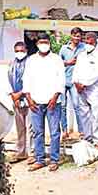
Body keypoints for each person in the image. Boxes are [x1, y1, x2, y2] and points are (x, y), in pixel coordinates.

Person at [23, 33, 66, 172]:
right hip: (35, 101)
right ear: (37, 44)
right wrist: (29, 99)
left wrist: (55, 97)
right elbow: (26, 80)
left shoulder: (56, 59)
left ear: (50, 43)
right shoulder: (31, 60)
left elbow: (61, 80)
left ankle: (54, 160)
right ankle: (39, 159)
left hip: (53, 102)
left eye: (46, 42)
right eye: (41, 42)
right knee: (37, 132)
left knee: (54, 132)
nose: (43, 45)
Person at [72, 32, 98, 147]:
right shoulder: (81, 55)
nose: (88, 44)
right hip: (80, 89)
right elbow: (76, 70)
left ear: (95, 43)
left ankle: (97, 140)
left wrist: (84, 84)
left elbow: (97, 73)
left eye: (90, 42)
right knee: (84, 114)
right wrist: (76, 83)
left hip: (94, 90)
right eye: (86, 41)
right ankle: (87, 138)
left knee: (96, 115)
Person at [60, 28, 85, 140]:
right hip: (63, 80)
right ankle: (64, 131)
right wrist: (67, 62)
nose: (76, 38)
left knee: (77, 106)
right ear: (71, 36)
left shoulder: (83, 48)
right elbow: (58, 63)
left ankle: (81, 131)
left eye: (78, 36)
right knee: (62, 106)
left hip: (76, 81)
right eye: (74, 36)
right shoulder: (64, 48)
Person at [7, 41, 30, 164]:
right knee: (20, 128)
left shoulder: (31, 63)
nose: (19, 53)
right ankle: (21, 152)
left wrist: (20, 94)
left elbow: (32, 81)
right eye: (17, 51)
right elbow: (8, 81)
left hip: (29, 98)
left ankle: (32, 153)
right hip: (16, 100)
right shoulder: (12, 64)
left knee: (31, 128)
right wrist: (13, 96)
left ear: (26, 50)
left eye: (21, 50)